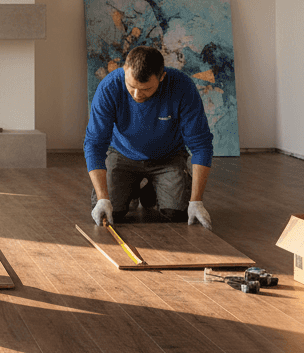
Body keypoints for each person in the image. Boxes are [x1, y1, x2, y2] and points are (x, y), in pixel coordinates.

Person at [84, 45, 214, 229]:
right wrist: (102, 198)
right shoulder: (109, 87)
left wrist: (196, 201)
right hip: (122, 154)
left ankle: (150, 190)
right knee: (112, 211)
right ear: (125, 70)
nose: (137, 94)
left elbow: (201, 144)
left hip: (168, 157)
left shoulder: (182, 87)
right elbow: (94, 144)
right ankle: (130, 190)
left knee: (177, 212)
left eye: (145, 89)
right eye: (131, 86)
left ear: (161, 77)